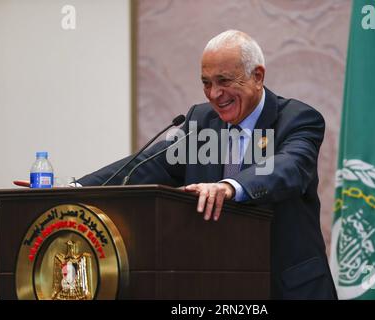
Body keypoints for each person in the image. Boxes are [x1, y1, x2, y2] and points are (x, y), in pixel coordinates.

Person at [78, 30, 337, 300]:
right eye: (206, 83)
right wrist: (75, 187)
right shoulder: (200, 121)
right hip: (219, 285)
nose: (214, 94)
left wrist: (229, 187)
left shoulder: (298, 119)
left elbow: (288, 168)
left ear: (257, 76)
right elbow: (146, 165)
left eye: (224, 81)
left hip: (288, 288)